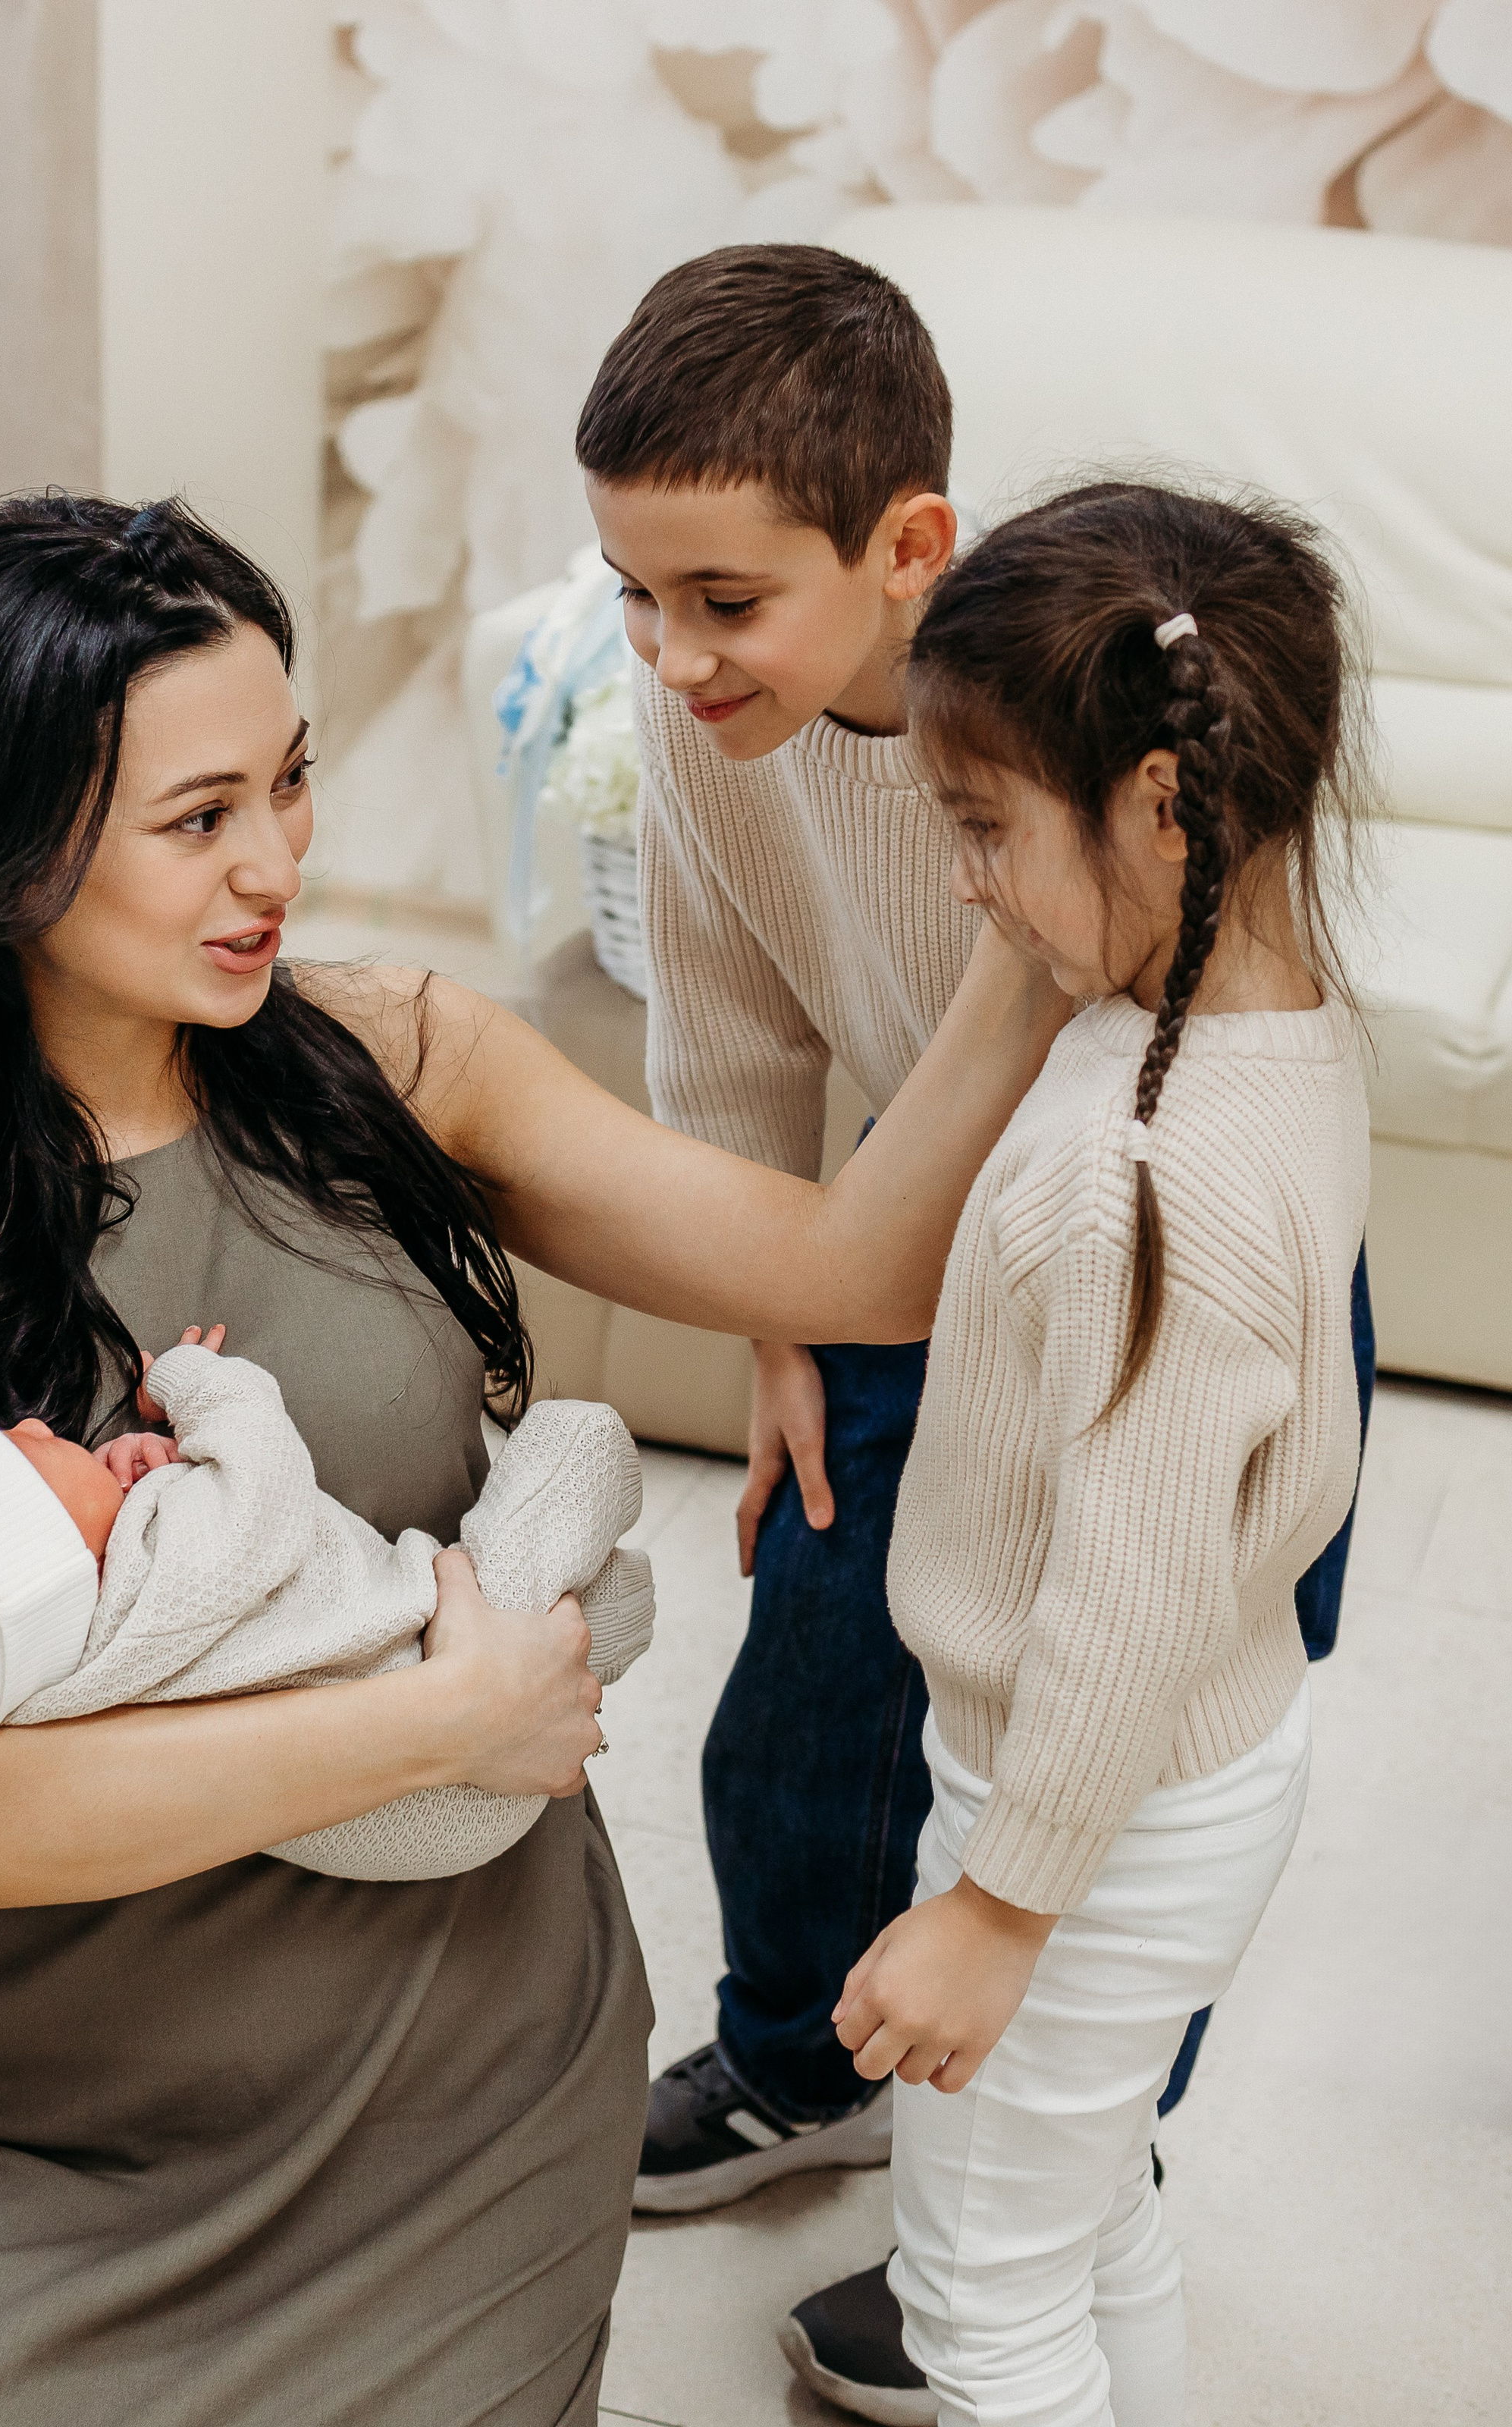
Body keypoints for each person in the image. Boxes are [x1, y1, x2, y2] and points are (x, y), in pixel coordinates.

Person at [0, 493, 1066, 2427]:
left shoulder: (396, 1061)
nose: (273, 865)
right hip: (32, 2121)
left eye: (289, 783)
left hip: (458, 2074)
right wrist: (433, 1727)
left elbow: (855, 1266)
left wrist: (1041, 893)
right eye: (197, 821)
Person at [575, 246, 1376, 2408]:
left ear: (908, 547)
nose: (668, 653)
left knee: (1149, 1687)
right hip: (913, 1261)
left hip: (1108, 1255)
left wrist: (1023, 1916)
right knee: (818, 1699)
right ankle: (810, 2065)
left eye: (723, 601)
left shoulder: (1081, 727)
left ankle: (1055, 2124)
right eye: (636, 595)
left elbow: (1144, 1553)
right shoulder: (704, 730)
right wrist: (782, 1331)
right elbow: (731, 1022)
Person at [822, 481, 1369, 2426]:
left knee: (977, 2303)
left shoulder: (1138, 1178)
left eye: (979, 829)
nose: (963, 884)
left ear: (1158, 805)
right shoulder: (1261, 1021)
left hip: (1091, 1816)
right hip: (1179, 1769)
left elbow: (1124, 1599)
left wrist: (994, 1910)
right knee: (1078, 2219)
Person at [0, 1329, 654, 1878]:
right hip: (438, 1722)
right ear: (56, 1548)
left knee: (594, 1606)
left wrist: (133, 1481)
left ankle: (600, 1623)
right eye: (30, 1450)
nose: (41, 1424)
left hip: (381, 1828)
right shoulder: (172, 1568)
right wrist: (191, 1384)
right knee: (578, 1441)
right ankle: (602, 1617)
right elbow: (268, 1482)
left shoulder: (42, 1673)